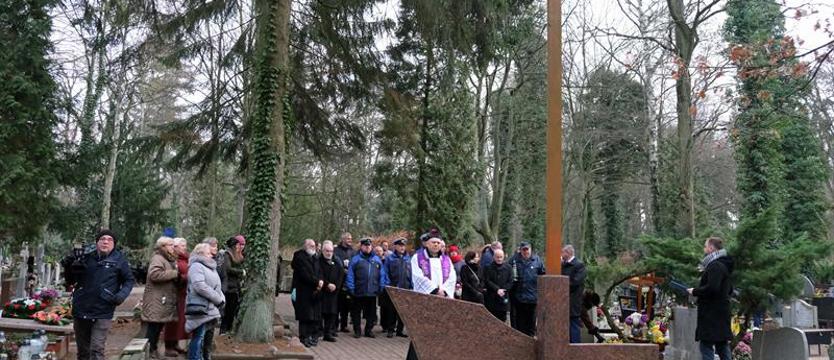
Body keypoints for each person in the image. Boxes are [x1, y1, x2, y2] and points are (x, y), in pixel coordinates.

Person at [70, 229, 135, 360]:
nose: (105, 242)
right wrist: (69, 265)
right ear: (97, 242)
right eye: (102, 239)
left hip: (103, 309)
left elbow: (129, 280)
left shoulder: (119, 260)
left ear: (114, 244)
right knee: (83, 350)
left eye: (109, 240)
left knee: (96, 349)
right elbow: (72, 280)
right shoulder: (86, 258)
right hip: (81, 307)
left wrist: (120, 296)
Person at [406, 232, 455, 360]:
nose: (436, 245)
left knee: (439, 331)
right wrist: (433, 290)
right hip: (425, 300)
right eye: (433, 242)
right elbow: (417, 277)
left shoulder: (446, 260)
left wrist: (443, 291)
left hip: (443, 300)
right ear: (427, 244)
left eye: (438, 243)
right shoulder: (417, 258)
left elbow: (452, 277)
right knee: (421, 331)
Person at [687, 237, 734, 360]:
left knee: (706, 346)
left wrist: (695, 291)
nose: (704, 249)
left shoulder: (715, 266)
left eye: (705, 246)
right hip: (720, 313)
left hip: (711, 314)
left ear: (711, 248)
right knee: (722, 345)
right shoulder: (724, 265)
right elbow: (730, 290)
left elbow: (712, 288)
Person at [185, 243, 225, 360]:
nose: (211, 255)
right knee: (199, 337)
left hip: (211, 307)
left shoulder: (210, 266)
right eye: (208, 253)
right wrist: (218, 299)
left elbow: (217, 286)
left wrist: (222, 299)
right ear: (200, 254)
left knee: (205, 337)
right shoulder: (196, 266)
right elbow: (199, 286)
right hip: (200, 306)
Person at [142, 237, 180, 358]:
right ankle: (150, 352)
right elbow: (154, 274)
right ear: (163, 246)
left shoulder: (168, 259)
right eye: (171, 245)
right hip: (156, 300)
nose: (173, 247)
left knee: (158, 328)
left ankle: (153, 350)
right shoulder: (158, 258)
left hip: (162, 300)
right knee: (153, 328)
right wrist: (174, 273)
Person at [346, 237, 388, 338]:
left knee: (371, 314)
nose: (367, 248)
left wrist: (381, 286)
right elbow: (350, 274)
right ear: (362, 247)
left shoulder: (376, 259)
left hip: (372, 291)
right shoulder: (356, 259)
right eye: (365, 246)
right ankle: (357, 331)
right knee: (356, 313)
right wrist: (351, 287)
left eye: (369, 246)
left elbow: (382, 274)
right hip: (358, 291)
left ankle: (368, 330)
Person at [509, 241, 545, 336]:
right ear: (520, 250)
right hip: (519, 298)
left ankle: (530, 342)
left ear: (530, 249)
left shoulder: (537, 261)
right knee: (520, 324)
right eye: (523, 250)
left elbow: (543, 275)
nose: (525, 252)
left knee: (531, 323)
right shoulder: (514, 260)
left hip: (532, 298)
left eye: (527, 249)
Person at [291, 239, 322, 347]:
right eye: (311, 245)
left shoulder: (316, 257)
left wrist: (320, 282)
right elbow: (305, 274)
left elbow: (319, 271)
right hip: (303, 290)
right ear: (305, 246)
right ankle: (303, 337)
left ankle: (310, 336)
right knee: (304, 316)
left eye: (314, 245)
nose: (313, 247)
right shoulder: (300, 257)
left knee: (313, 315)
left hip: (314, 290)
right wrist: (317, 281)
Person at [163, 238, 190, 356]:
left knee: (179, 321)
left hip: (184, 294)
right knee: (172, 322)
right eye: (182, 245)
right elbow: (173, 275)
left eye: (185, 245)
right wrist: (185, 277)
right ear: (175, 247)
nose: (184, 247)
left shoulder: (186, 258)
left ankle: (175, 343)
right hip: (175, 293)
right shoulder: (173, 259)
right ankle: (168, 346)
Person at [381, 237, 411, 338]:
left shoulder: (408, 258)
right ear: (395, 246)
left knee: (402, 311)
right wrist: (388, 285)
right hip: (394, 287)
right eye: (400, 245)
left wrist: (411, 286)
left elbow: (411, 273)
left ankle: (400, 330)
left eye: (403, 245)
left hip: (405, 288)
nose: (402, 247)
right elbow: (385, 272)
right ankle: (390, 329)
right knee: (392, 310)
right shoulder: (390, 258)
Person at [218, 235, 245, 334]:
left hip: (236, 286)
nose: (240, 247)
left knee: (232, 310)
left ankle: (229, 329)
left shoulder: (239, 255)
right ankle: (223, 329)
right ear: (234, 246)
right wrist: (241, 272)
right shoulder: (227, 254)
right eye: (238, 245)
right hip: (228, 285)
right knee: (227, 310)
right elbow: (228, 269)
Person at [560, 245, 586, 343]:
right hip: (563, 299)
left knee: (574, 323)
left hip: (573, 299)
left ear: (568, 253)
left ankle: (575, 348)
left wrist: (560, 286)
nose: (561, 255)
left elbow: (575, 282)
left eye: (563, 253)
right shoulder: (564, 264)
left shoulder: (579, 265)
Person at [319, 241, 343, 342]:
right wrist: (327, 284)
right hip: (321, 291)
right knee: (320, 313)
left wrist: (336, 286)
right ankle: (318, 332)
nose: (329, 253)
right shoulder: (318, 261)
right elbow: (318, 275)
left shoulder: (336, 262)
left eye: (331, 251)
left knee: (331, 314)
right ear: (322, 251)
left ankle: (328, 333)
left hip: (333, 292)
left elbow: (340, 274)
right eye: (327, 251)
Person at [333, 232, 356, 333]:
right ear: (343, 240)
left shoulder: (353, 252)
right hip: (338, 281)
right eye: (348, 239)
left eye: (351, 239)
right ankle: (334, 325)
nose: (350, 240)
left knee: (347, 305)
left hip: (349, 281)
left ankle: (344, 325)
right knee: (337, 304)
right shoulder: (336, 250)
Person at [483, 249, 512, 322]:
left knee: (502, 319)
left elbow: (511, 281)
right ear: (493, 257)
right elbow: (487, 280)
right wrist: (497, 289)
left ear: (503, 257)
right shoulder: (488, 267)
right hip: (492, 298)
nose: (499, 259)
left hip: (503, 297)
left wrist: (503, 289)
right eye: (497, 257)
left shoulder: (508, 267)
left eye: (501, 257)